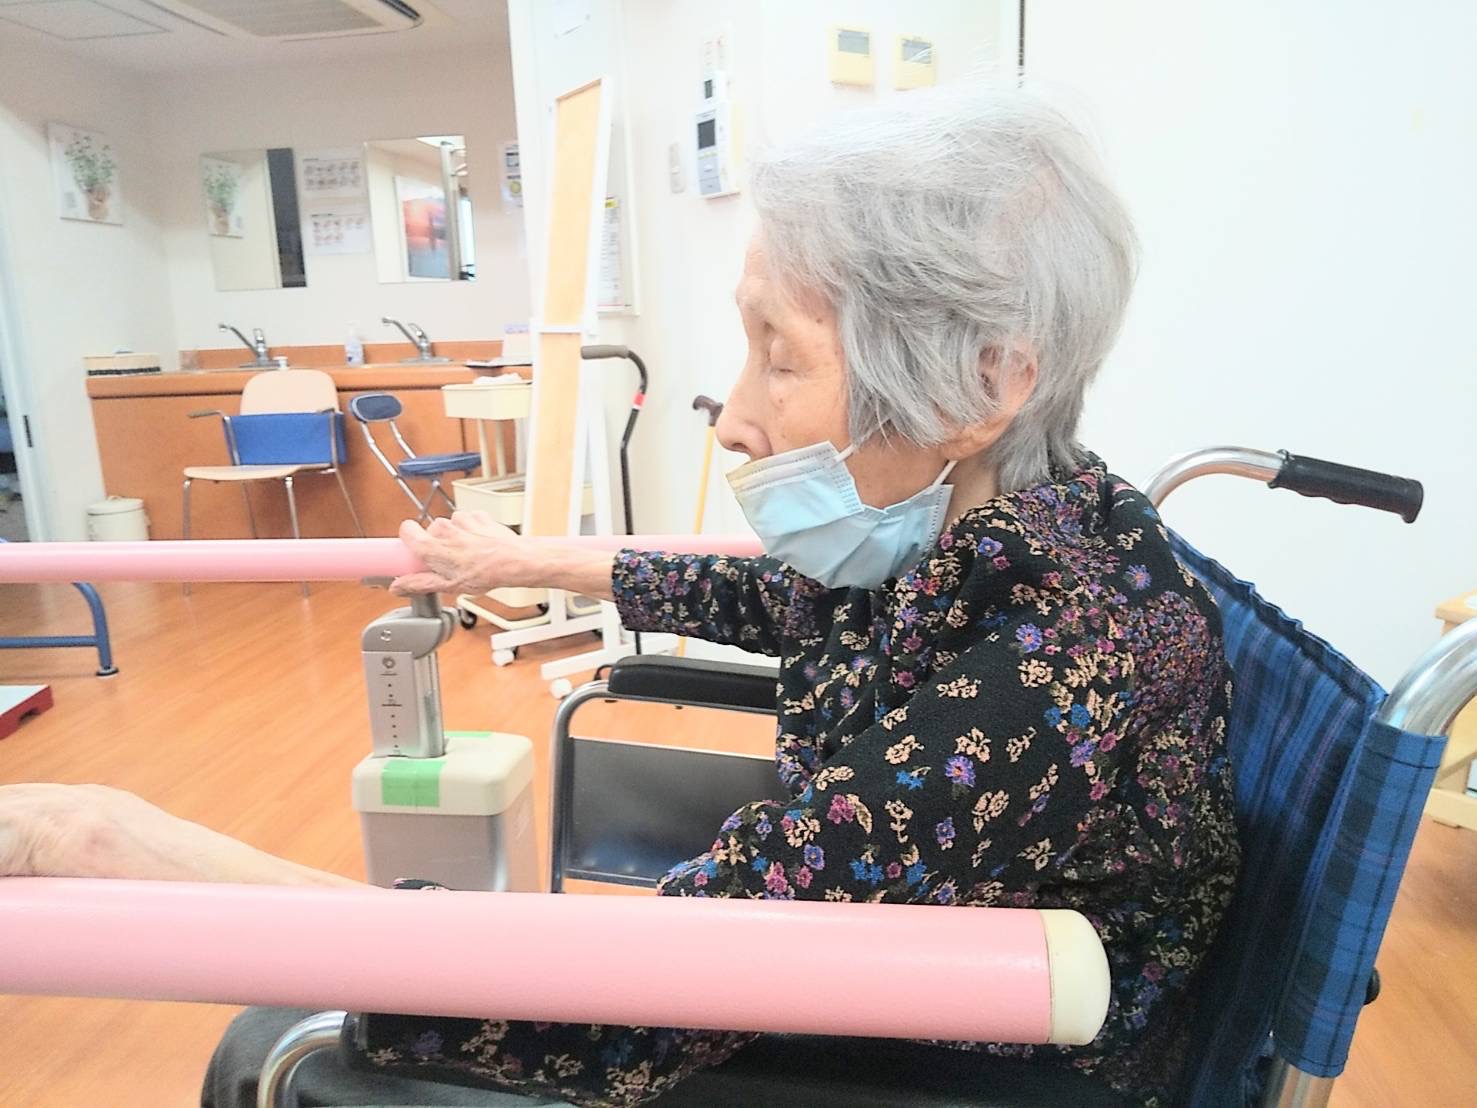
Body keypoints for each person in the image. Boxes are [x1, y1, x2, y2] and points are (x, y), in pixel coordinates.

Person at [0, 85, 1238, 1108]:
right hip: (894, 961)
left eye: (779, 356)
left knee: (292, 1058)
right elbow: (782, 600)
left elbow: (662, 972)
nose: (735, 418)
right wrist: (521, 562)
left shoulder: (1061, 656)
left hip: (986, 1059)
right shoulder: (996, 517)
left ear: (983, 383)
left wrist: (106, 842)